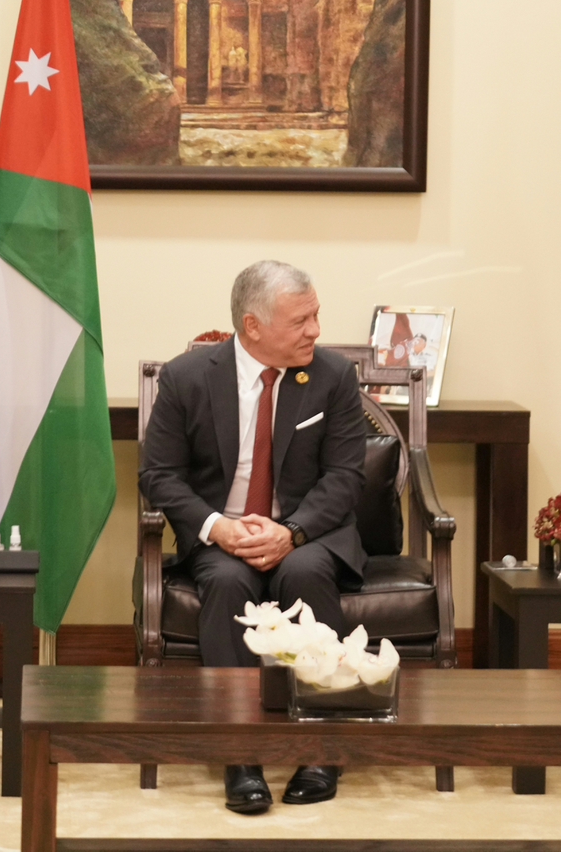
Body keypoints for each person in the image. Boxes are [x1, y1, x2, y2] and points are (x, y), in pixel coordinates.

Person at [140, 260, 366, 814]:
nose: (315, 330)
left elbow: (345, 477)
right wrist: (219, 527)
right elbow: (158, 474)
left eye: (316, 315)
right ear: (253, 325)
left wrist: (290, 532)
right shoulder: (187, 377)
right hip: (224, 535)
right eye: (301, 320)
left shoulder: (334, 376)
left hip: (310, 533)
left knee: (305, 571)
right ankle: (241, 754)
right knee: (223, 582)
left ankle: (320, 748)